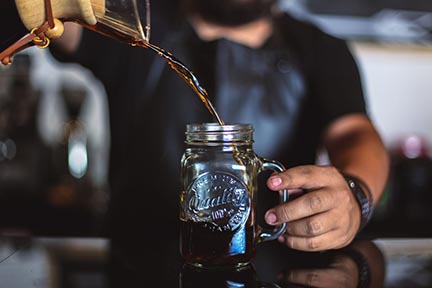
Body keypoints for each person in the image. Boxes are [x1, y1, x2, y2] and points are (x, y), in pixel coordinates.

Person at [2, 0, 389, 254]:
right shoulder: (132, 26)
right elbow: (59, 20)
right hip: (134, 264)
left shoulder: (321, 50)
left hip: (272, 264)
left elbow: (354, 133)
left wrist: (356, 195)